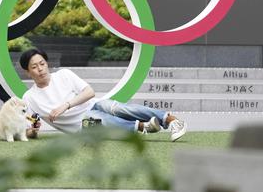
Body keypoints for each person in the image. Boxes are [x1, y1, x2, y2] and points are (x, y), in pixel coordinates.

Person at [19, 48, 187, 141]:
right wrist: (33, 131)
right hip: (82, 128)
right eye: (34, 67)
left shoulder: (64, 74)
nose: (40, 69)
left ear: (47, 64)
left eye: (42, 63)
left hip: (93, 104)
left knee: (115, 107)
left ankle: (170, 120)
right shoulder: (29, 98)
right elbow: (31, 129)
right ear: (27, 72)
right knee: (94, 118)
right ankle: (143, 126)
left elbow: (89, 92)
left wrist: (66, 105)